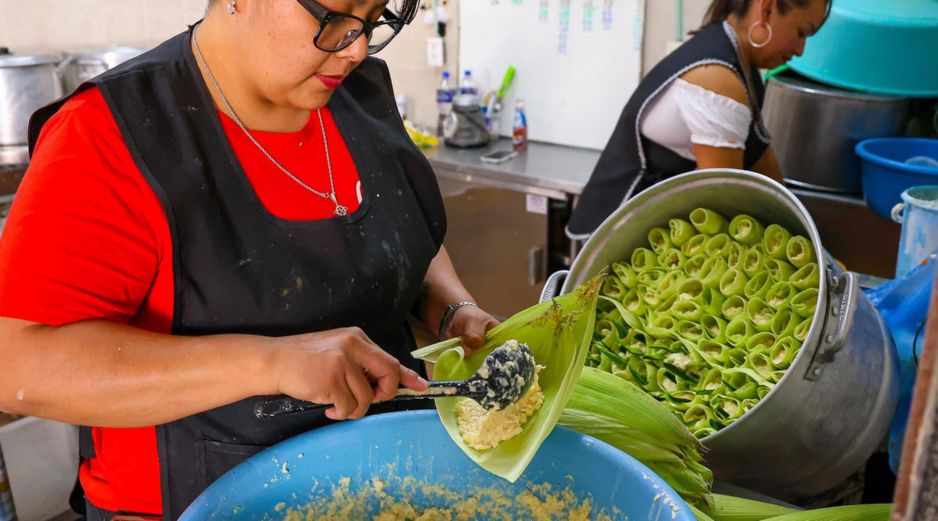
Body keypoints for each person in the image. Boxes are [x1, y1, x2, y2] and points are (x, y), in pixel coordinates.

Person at [0, 0, 499, 518]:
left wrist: (452, 309)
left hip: (391, 483)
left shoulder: (360, 94)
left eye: (375, 19)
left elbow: (401, 229)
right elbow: (20, 366)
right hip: (195, 502)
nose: (356, 47)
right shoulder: (112, 133)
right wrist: (271, 361)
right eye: (334, 17)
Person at [566, 0, 830, 239]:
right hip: (613, 238)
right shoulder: (717, 79)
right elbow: (721, 205)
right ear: (767, 9)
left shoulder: (740, 60)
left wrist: (808, 238)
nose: (800, 49)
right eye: (801, 32)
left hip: (648, 231)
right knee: (587, 296)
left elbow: (763, 162)